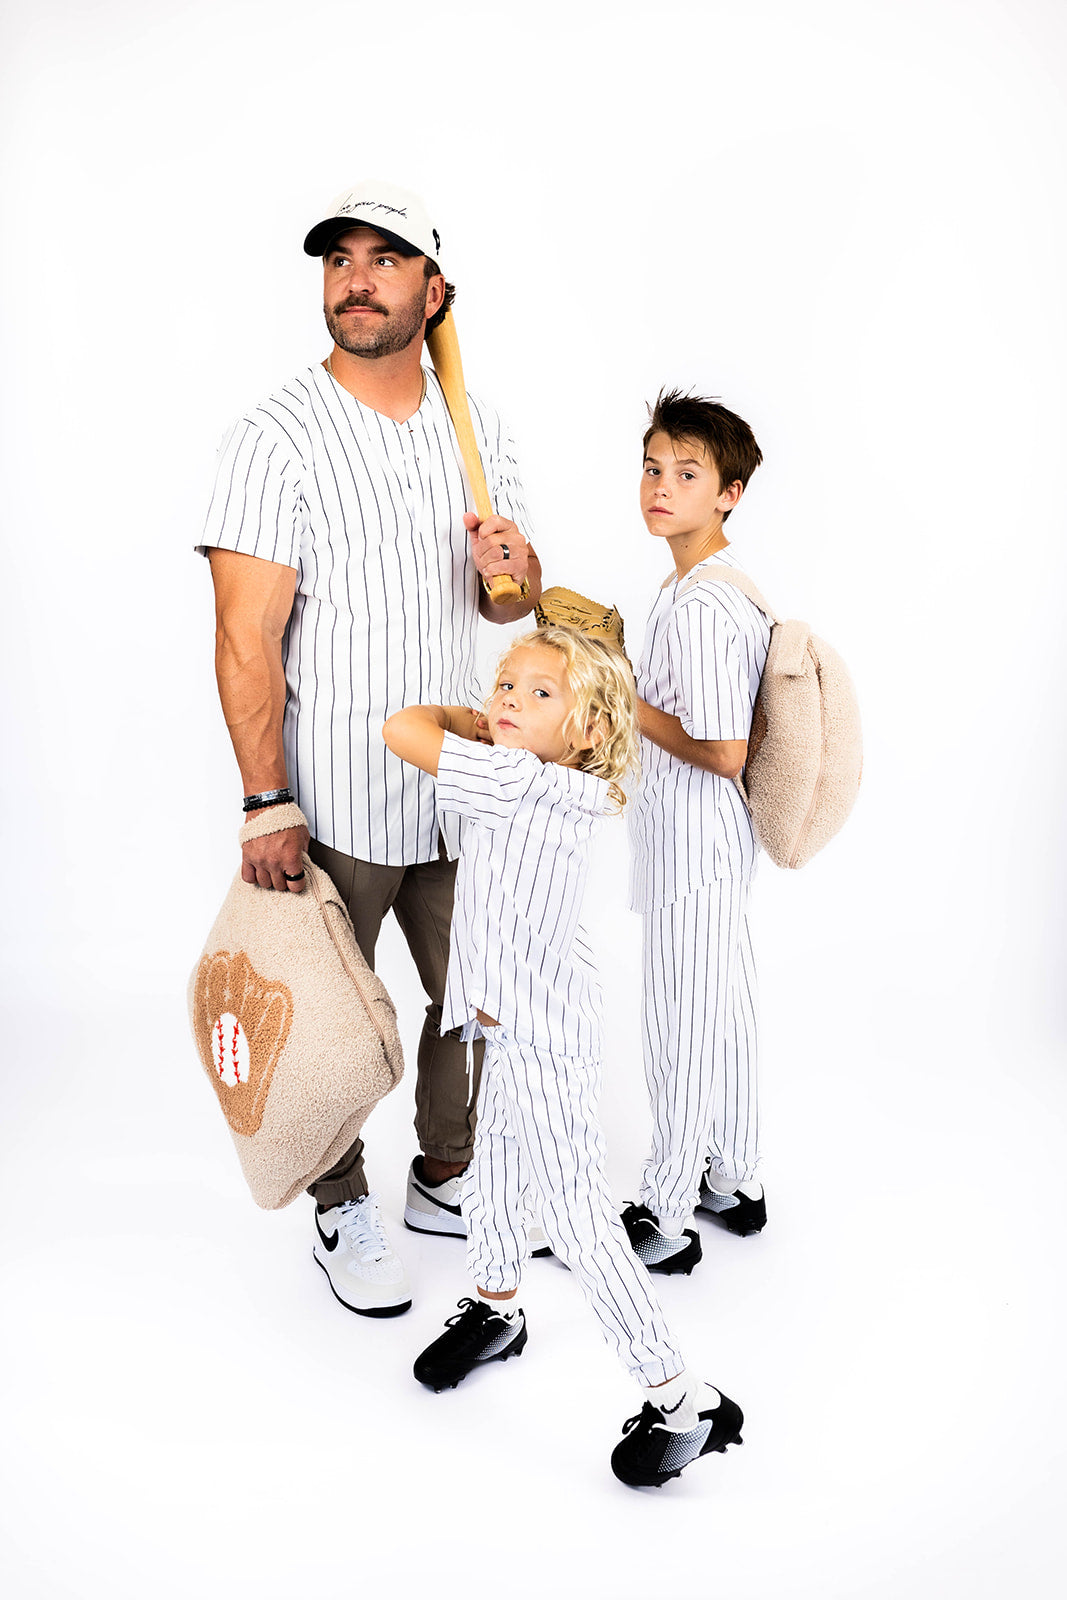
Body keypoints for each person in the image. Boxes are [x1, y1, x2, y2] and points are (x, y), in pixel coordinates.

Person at [198, 180, 541, 1318]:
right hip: (333, 797)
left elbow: (504, 607)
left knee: (475, 1002)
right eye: (338, 259)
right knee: (326, 1026)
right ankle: (340, 1202)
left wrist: (517, 572)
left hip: (463, 783)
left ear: (432, 291)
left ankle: (446, 1176)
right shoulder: (273, 436)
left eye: (384, 259)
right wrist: (264, 799)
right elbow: (244, 636)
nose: (355, 277)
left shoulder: (475, 424)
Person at [382, 628, 744, 1487]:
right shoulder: (561, 784)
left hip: (541, 1035)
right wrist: (506, 716)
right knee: (497, 1174)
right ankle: (498, 1308)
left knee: (579, 1218)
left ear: (586, 729)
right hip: (509, 1021)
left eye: (538, 693)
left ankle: (682, 1396)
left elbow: (402, 728)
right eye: (505, 682)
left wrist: (469, 719)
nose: (508, 696)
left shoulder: (514, 778)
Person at [620, 389, 770, 1278]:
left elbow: (721, 750)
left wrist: (623, 698)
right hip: (704, 846)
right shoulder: (686, 588)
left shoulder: (706, 605)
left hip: (695, 847)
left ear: (729, 493)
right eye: (650, 468)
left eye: (685, 473)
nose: (659, 487)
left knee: (681, 1022)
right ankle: (735, 1180)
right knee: (723, 1014)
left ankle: (668, 1211)